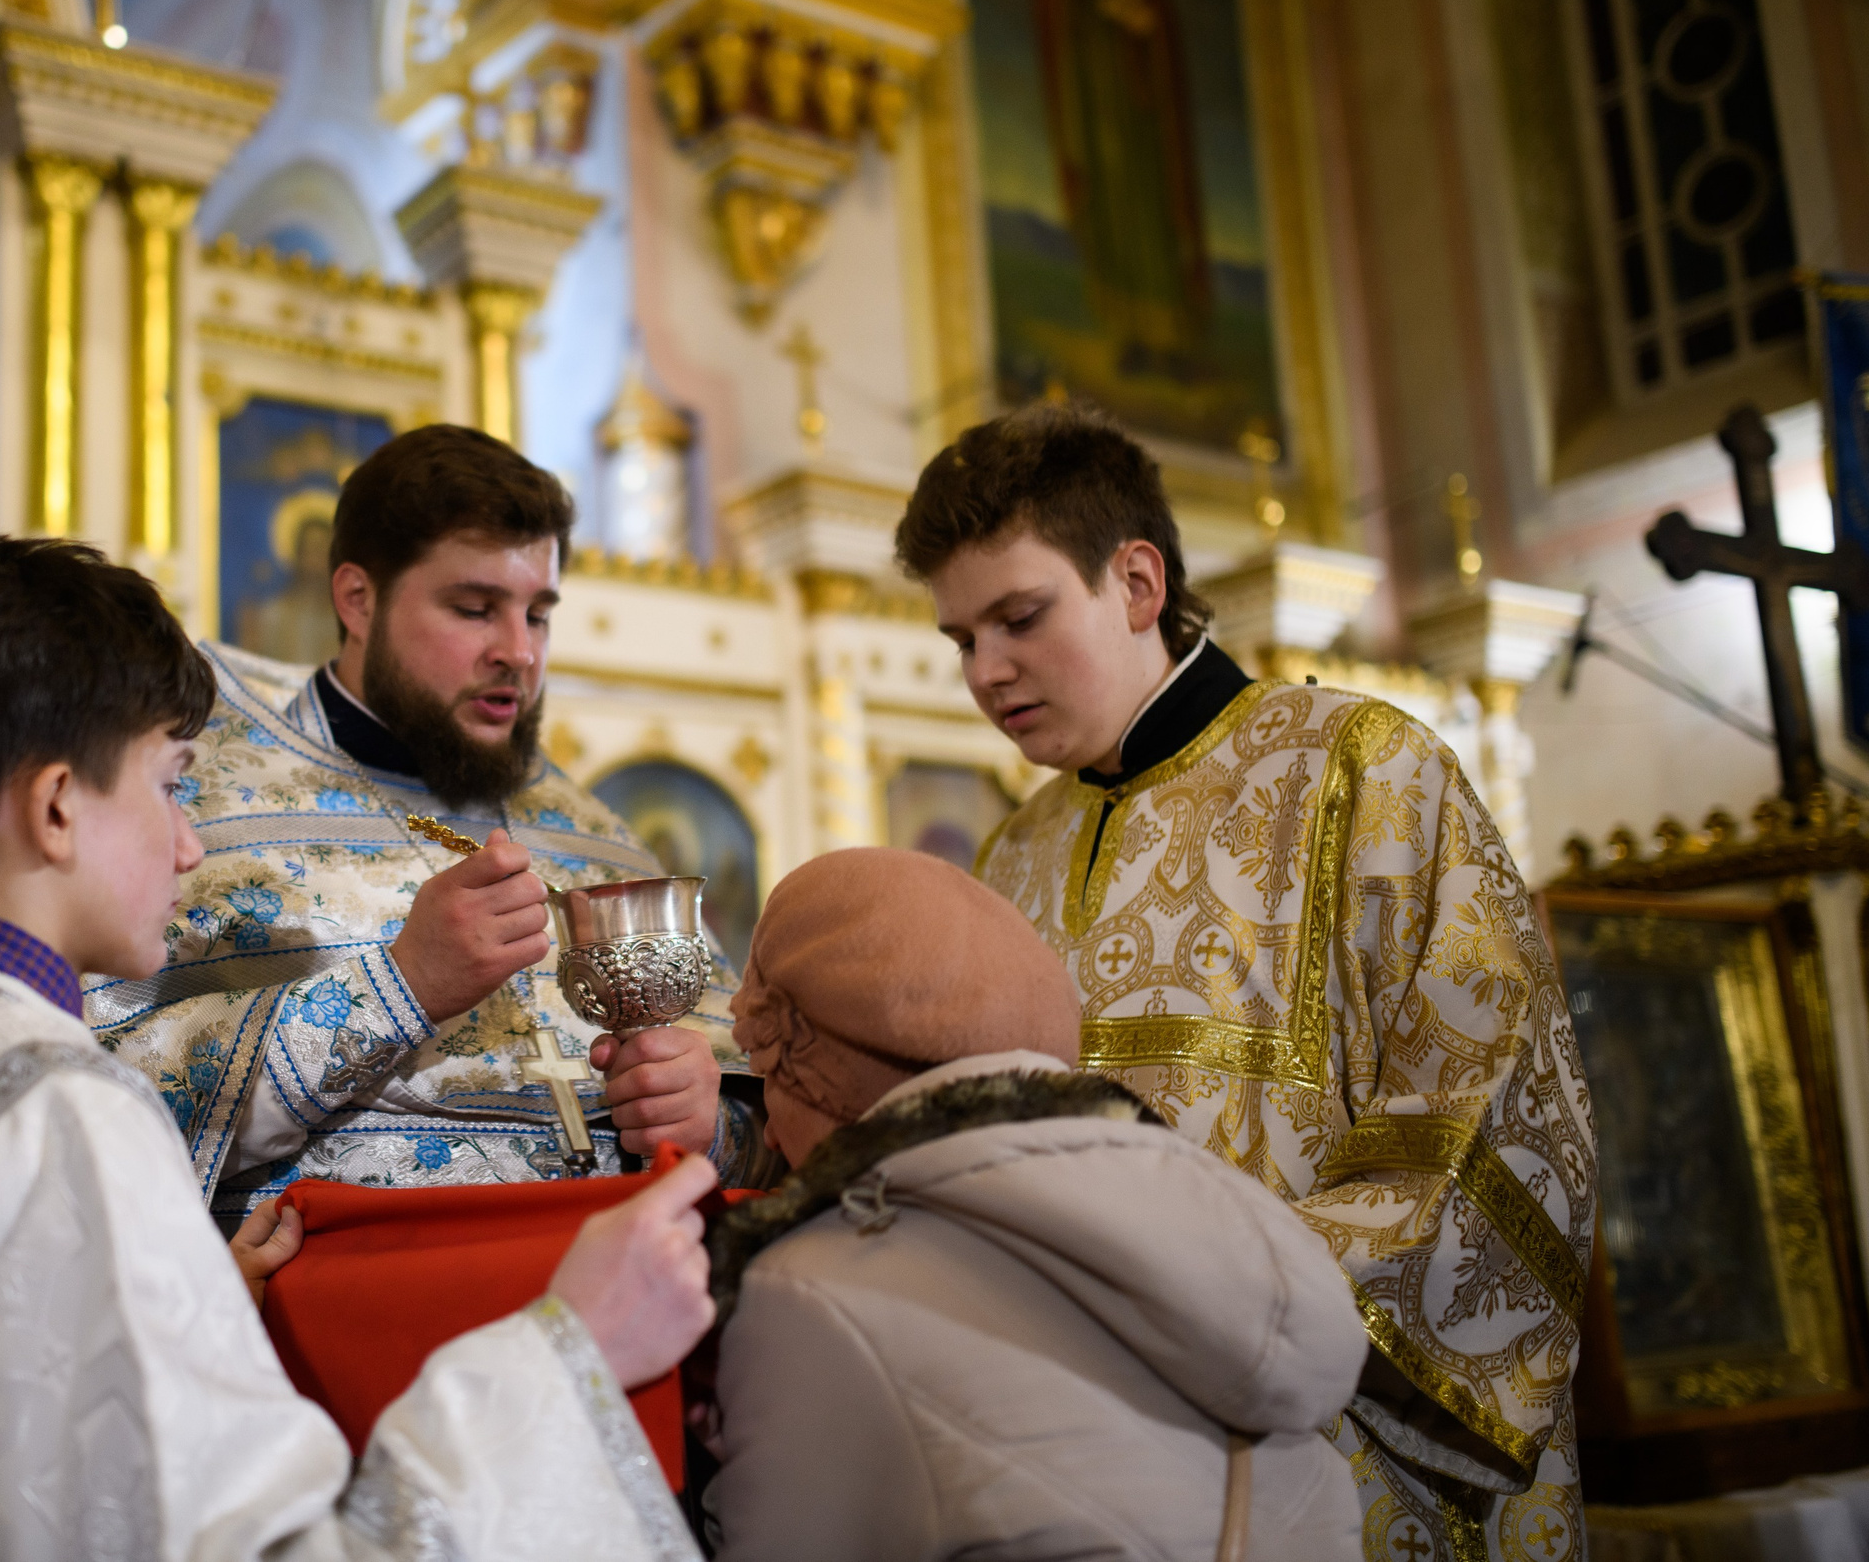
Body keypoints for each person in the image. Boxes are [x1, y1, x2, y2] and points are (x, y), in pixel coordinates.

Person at [0, 535, 721, 1562]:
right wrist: (568, 1350)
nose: (191, 841)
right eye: (172, 784)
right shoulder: (59, 1114)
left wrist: (185, 1308)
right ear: (58, 806)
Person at [898, 408, 1598, 1561]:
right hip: (1101, 1438)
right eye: (959, 639)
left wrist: (1231, 1308)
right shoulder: (1014, 848)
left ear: (1135, 582)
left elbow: (1493, 1120)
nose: (984, 672)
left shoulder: (1364, 769)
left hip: (1340, 1436)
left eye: (1017, 619)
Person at [92, 426, 776, 1223]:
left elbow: (771, 1133)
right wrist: (402, 985)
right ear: (358, 599)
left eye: (539, 615)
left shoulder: (591, 831)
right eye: (475, 608)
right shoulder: (207, 799)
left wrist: (708, 1126)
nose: (519, 653)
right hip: (337, 1312)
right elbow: (111, 1097)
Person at [704, 846, 1365, 1561]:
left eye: (764, 1072)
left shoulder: (810, 1291)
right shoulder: (1234, 1217)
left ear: (817, 1069)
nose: (768, 1128)